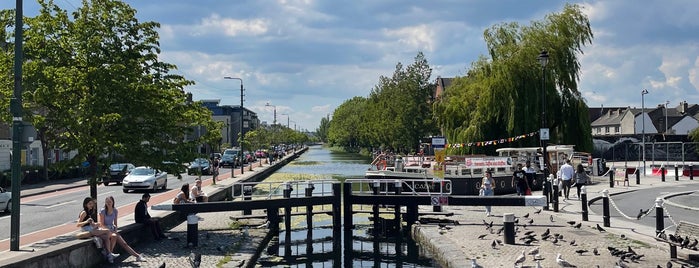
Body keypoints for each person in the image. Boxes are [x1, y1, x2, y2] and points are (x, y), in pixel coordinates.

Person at [98, 196, 145, 262]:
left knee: (124, 243)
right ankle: (110, 255)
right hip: (105, 230)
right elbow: (101, 224)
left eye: (110, 202)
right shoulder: (103, 211)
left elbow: (115, 223)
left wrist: (115, 229)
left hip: (112, 229)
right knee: (114, 236)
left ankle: (137, 256)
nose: (108, 203)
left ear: (113, 202)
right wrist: (110, 230)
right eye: (107, 201)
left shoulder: (115, 210)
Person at [77, 197, 117, 263]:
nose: (91, 205)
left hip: (91, 228)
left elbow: (91, 224)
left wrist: (96, 224)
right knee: (107, 231)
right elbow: (78, 224)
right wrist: (86, 221)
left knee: (106, 237)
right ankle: (108, 253)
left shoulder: (89, 212)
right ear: (85, 204)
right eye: (89, 204)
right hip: (86, 230)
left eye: (92, 204)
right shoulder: (84, 212)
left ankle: (109, 254)